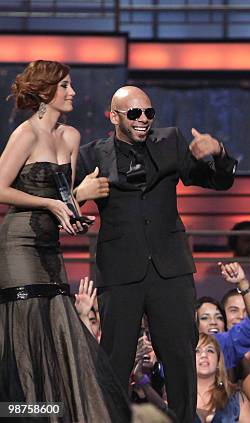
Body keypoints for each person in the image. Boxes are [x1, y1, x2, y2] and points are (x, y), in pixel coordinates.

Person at [75, 85, 238, 423]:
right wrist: (80, 193)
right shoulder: (92, 154)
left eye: (149, 113)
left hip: (171, 270)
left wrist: (218, 153)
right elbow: (64, 204)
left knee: (180, 361)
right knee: (116, 363)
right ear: (114, 116)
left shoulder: (171, 142)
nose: (144, 119)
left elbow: (219, 182)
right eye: (134, 113)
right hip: (121, 272)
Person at [0, 60, 130, 422]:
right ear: (46, 92)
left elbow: (65, 199)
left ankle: (55, 415)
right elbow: (0, 187)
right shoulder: (25, 135)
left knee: (59, 328)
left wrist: (77, 204)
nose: (73, 93)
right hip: (18, 244)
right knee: (28, 332)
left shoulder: (70, 137)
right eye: (65, 87)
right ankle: (24, 414)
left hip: (50, 247)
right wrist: (50, 204)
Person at [195, 334, 250, 423]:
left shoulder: (236, 399)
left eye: (210, 350)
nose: (204, 355)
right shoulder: (177, 398)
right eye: (197, 351)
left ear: (218, 362)